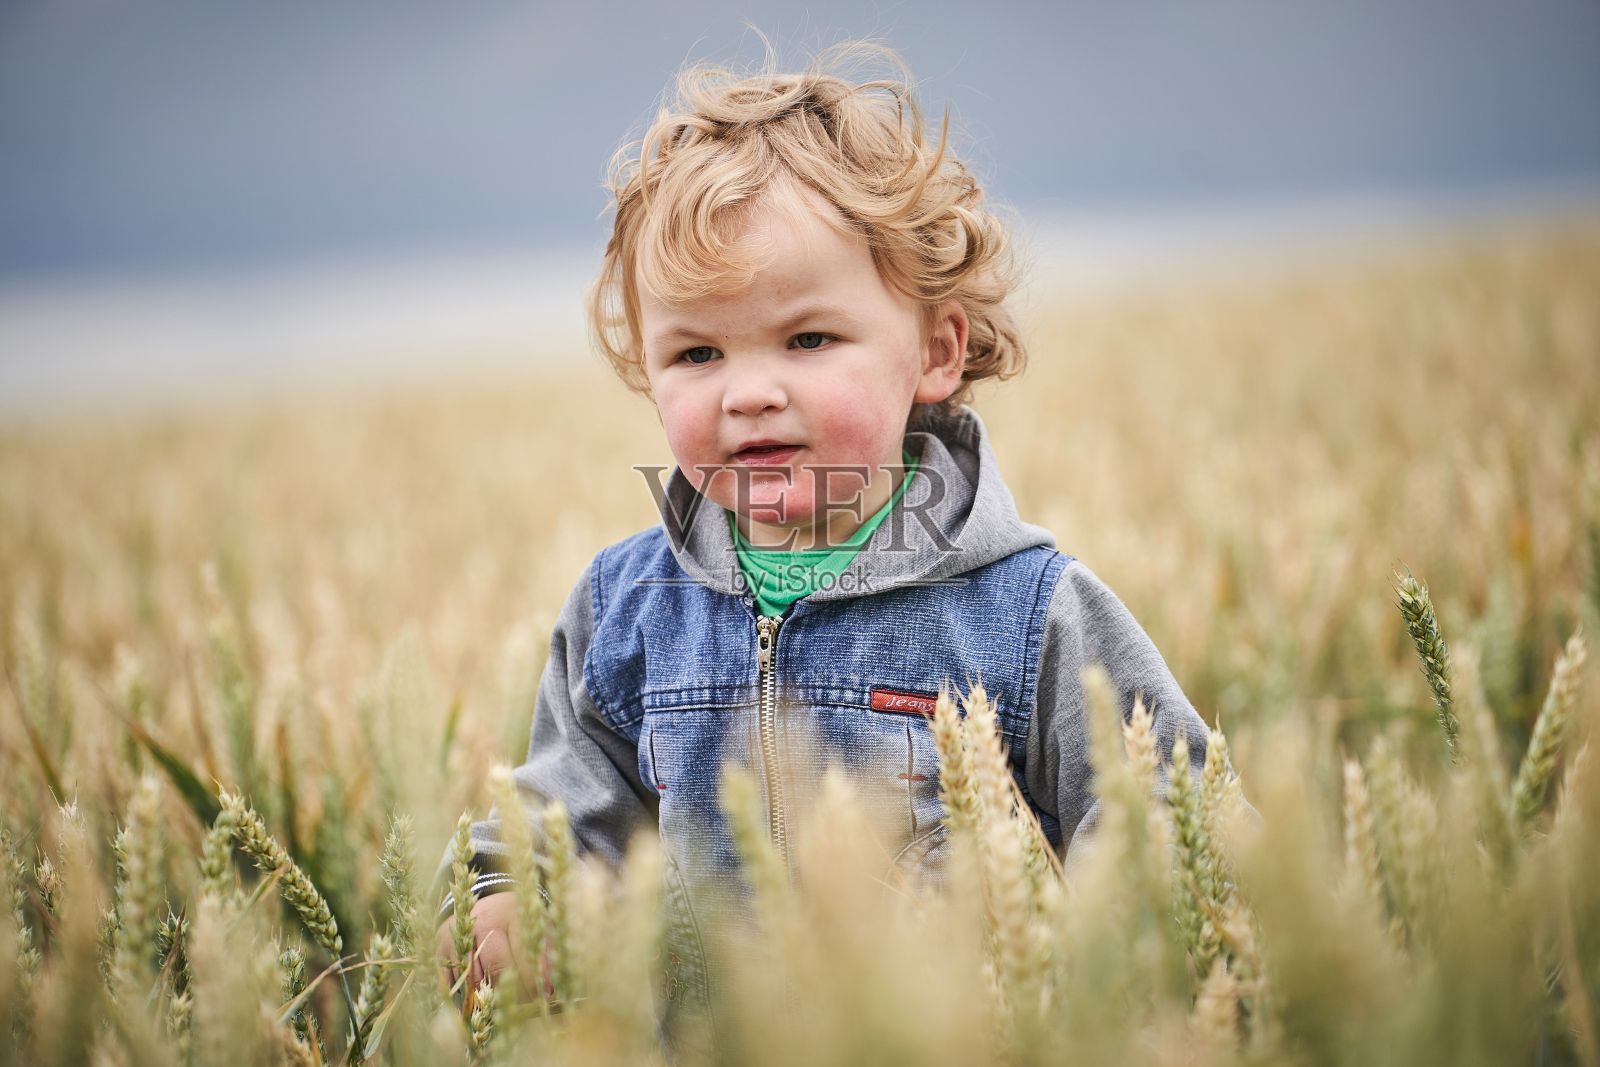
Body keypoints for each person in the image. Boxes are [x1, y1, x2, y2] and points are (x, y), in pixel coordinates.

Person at [434, 38, 1216, 1026]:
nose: (749, 391)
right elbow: (556, 813)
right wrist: (511, 900)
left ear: (936, 349)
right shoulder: (625, 607)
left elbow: (1172, 824)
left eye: (808, 339)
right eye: (697, 351)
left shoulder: (1023, 609)